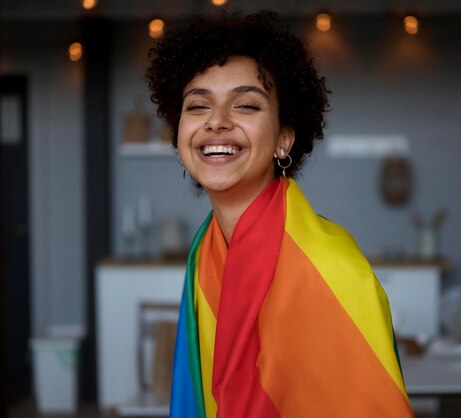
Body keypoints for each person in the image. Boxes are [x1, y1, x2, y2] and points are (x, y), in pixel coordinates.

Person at [146, 11, 412, 418]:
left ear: (284, 139)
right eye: (198, 105)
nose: (216, 122)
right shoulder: (206, 253)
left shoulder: (330, 267)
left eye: (246, 105)